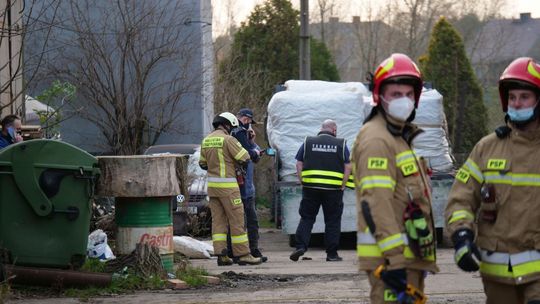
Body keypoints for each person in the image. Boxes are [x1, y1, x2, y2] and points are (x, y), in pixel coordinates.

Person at [445, 57, 540, 303]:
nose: (517, 104)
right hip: (497, 275)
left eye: (524, 97)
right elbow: (461, 198)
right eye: (512, 98)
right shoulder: (487, 148)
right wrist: (462, 235)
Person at [352, 53, 438, 303]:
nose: (404, 100)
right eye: (396, 94)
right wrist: (396, 260)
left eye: (409, 94)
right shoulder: (378, 139)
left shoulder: (397, 137)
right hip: (390, 261)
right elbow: (376, 203)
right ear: (380, 96)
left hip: (403, 257)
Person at [199, 112, 262, 266]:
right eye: (232, 127)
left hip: (213, 189)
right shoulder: (228, 139)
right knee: (237, 220)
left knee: (218, 223)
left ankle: (222, 255)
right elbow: (244, 157)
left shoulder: (206, 140)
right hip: (229, 188)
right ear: (227, 125)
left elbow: (202, 164)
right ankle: (243, 254)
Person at [289, 119, 352, 262]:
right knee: (332, 221)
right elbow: (348, 166)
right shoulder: (341, 144)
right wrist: (343, 184)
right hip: (333, 190)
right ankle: (331, 254)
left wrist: (302, 180)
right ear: (334, 130)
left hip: (310, 188)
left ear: (321, 129)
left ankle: (300, 247)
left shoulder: (308, 142)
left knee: (307, 218)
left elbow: (299, 163)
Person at [228, 108, 267, 262]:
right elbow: (247, 155)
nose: (249, 125)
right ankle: (243, 252)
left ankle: (251, 250)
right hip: (240, 188)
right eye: (248, 121)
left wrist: (252, 143)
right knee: (242, 222)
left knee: (249, 220)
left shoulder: (245, 136)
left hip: (247, 188)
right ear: (243, 119)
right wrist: (253, 150)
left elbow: (254, 157)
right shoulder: (237, 133)